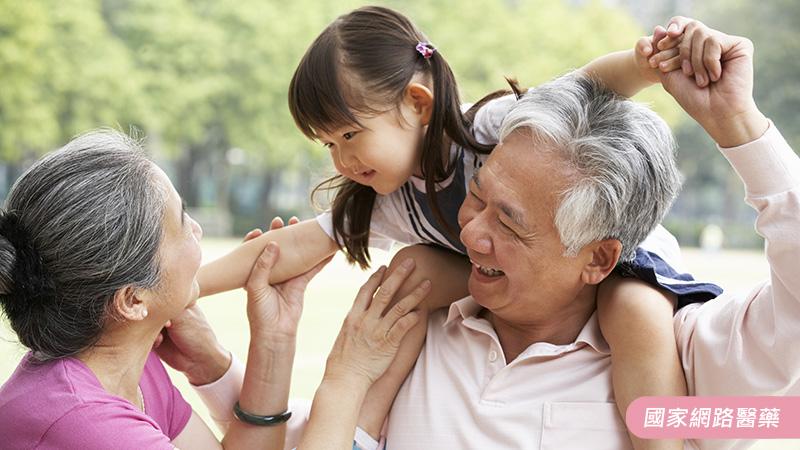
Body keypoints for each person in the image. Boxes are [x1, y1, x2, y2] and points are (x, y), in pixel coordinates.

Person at [194, 8, 722, 448]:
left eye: (350, 135)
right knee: (409, 277)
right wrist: (183, 287)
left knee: (633, 310)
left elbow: (586, 87)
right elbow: (291, 246)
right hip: (519, 273)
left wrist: (644, 64)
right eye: (328, 144)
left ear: (417, 103)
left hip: (621, 253)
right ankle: (361, 429)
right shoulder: (393, 199)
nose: (341, 159)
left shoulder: (488, 130)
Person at [345, 18, 792, 449]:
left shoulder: (688, 364)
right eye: (477, 197)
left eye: (509, 223)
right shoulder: (411, 321)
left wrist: (738, 122)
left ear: (598, 259)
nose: (472, 235)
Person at [0, 130, 429, 449]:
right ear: (133, 300)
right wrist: (348, 378)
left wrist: (273, 337)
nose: (198, 230)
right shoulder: (88, 425)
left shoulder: (121, 365)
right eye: (182, 222)